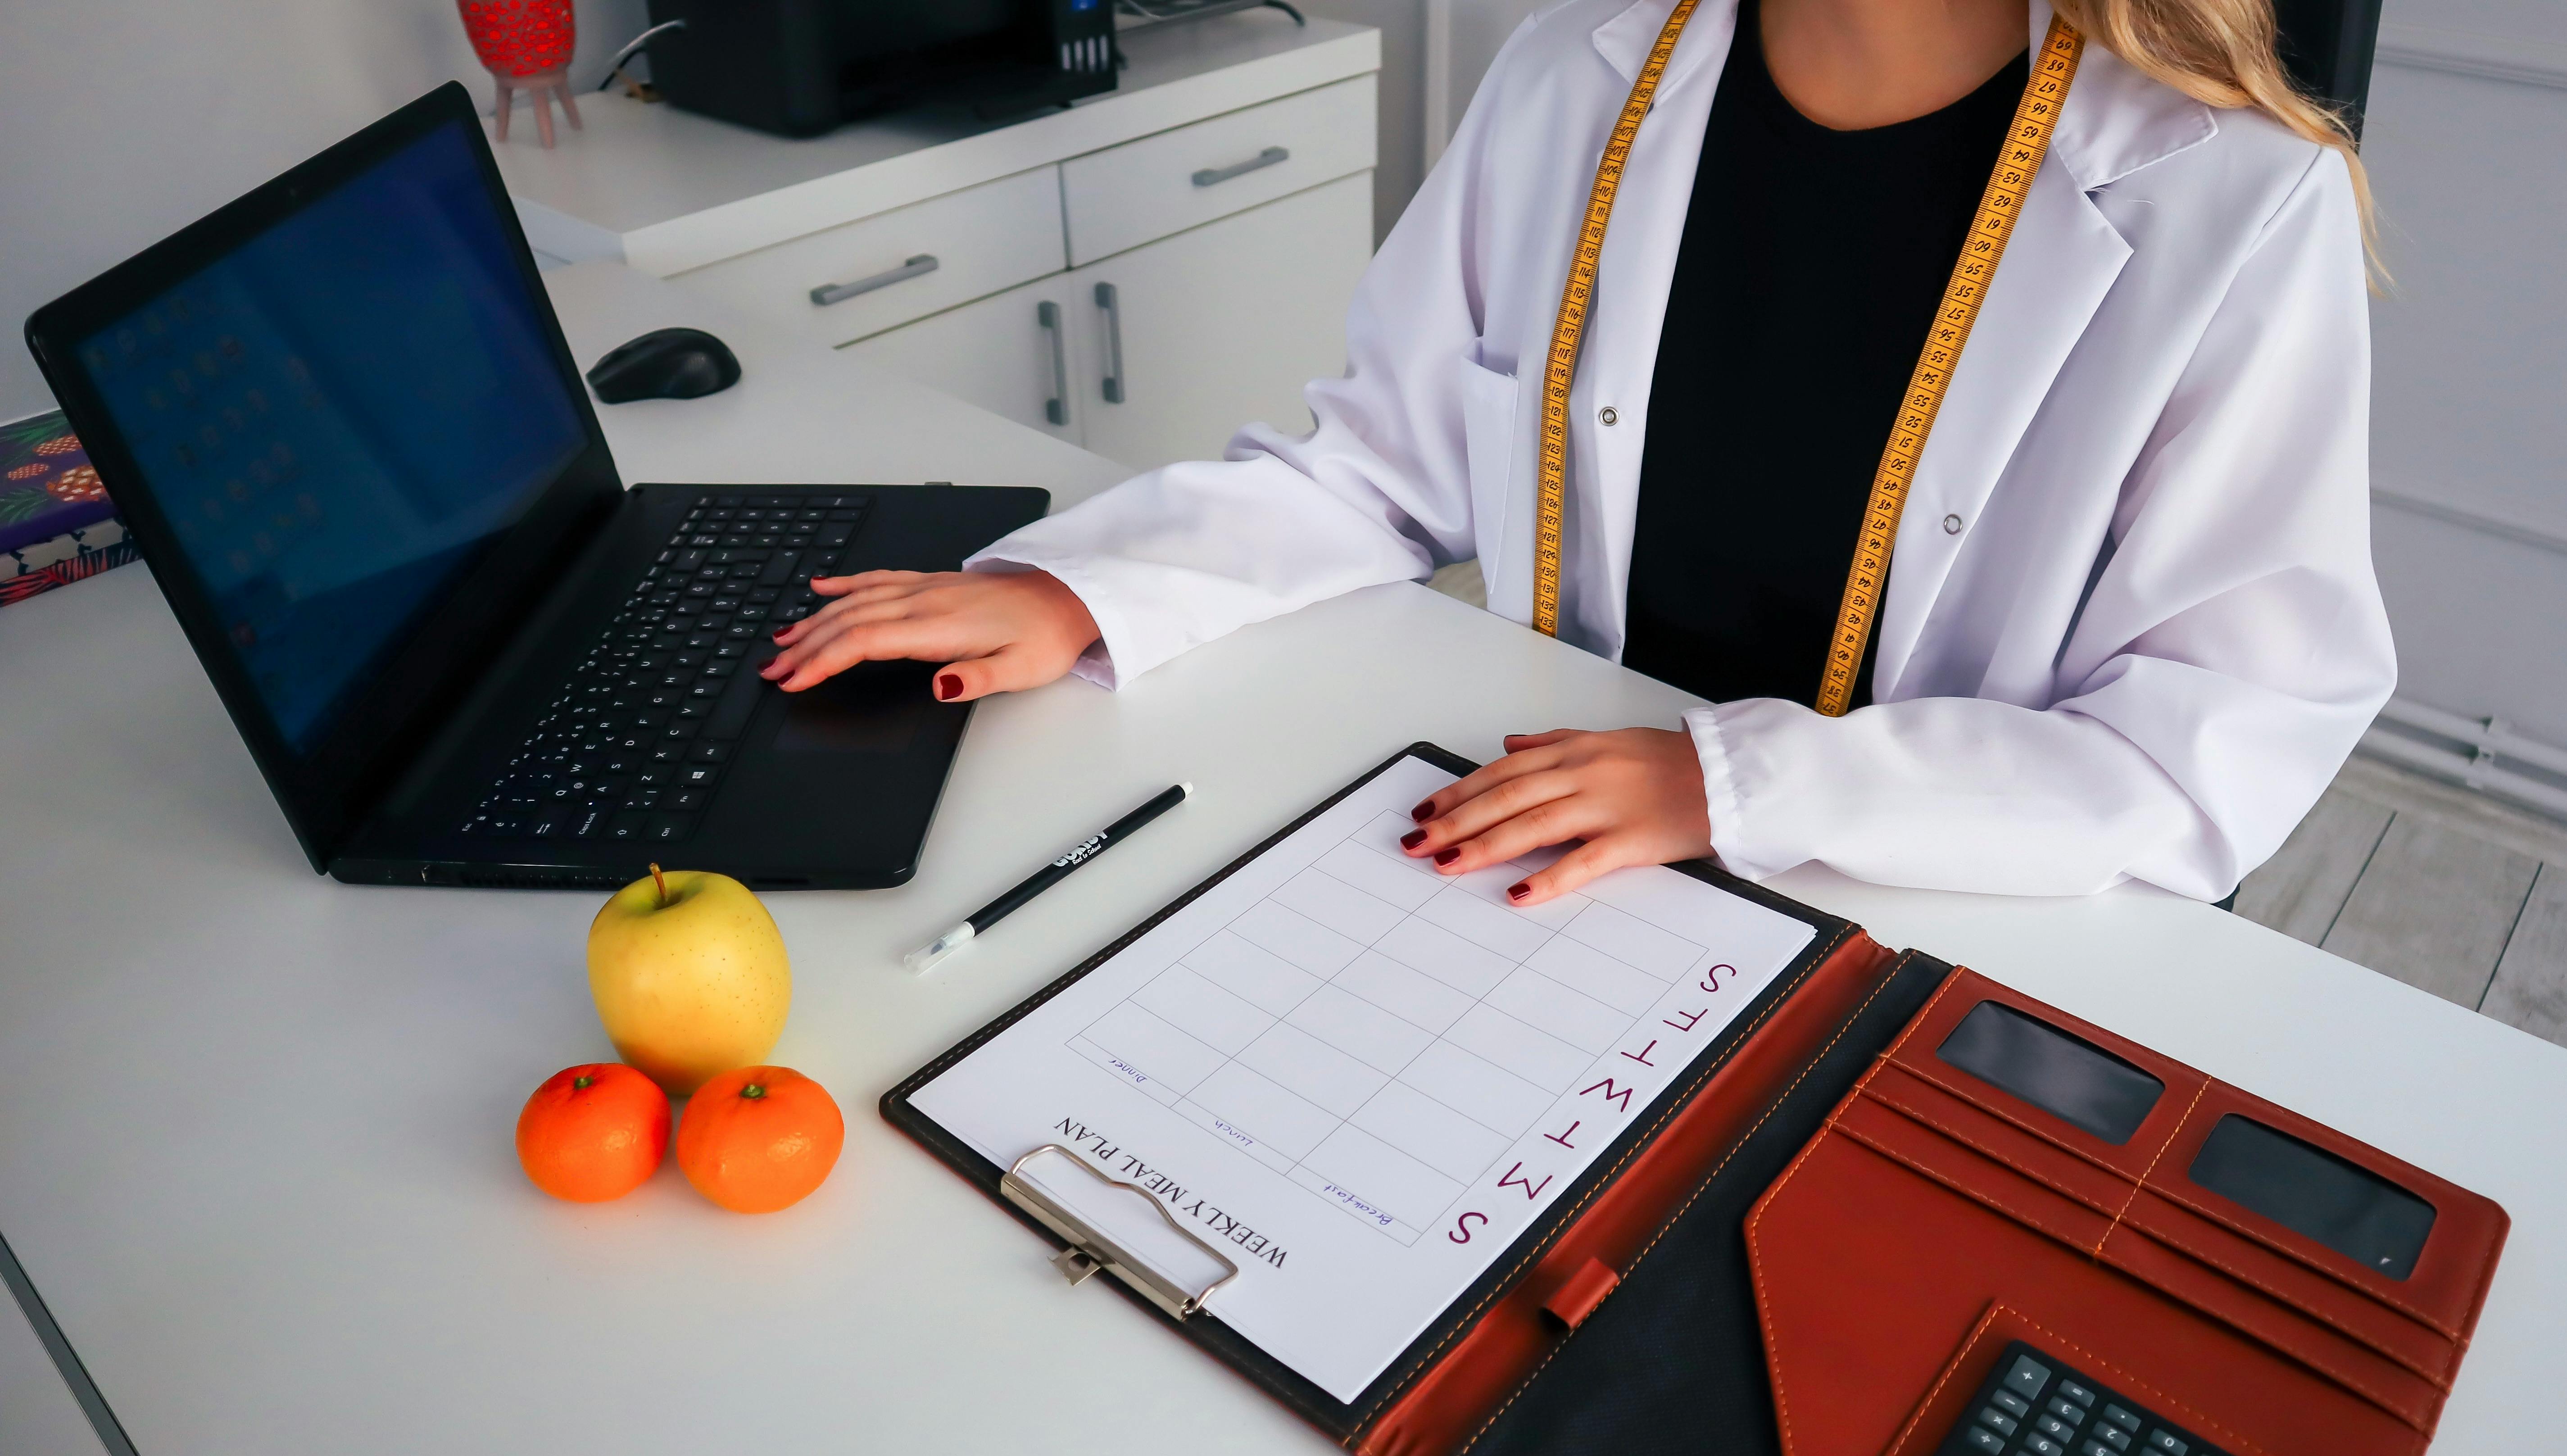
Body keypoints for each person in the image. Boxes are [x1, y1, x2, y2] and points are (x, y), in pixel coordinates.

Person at [761, 0, 2391, 908]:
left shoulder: (2232, 201)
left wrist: (1730, 784)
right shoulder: (1574, 79)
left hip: (1938, 892)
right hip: (1558, 859)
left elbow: (2205, 750)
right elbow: (1382, 467)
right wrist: (1081, 593)